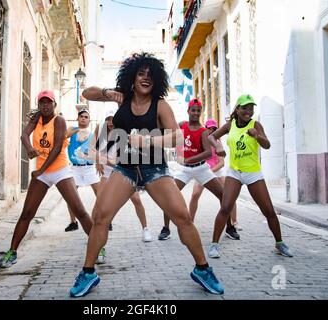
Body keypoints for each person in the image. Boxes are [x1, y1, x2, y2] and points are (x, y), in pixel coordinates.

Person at [69, 52, 224, 298]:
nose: (145, 78)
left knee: (182, 217)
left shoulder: (160, 104)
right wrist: (111, 93)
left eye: (150, 75)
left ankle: (203, 269)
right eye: (140, 73)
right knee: (100, 216)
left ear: (157, 81)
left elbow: (176, 137)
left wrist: (147, 140)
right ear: (132, 76)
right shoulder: (123, 98)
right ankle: (88, 273)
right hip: (125, 169)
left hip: (155, 170)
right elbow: (87, 93)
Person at [0, 90, 93, 268]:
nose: (45, 105)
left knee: (79, 211)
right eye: (42, 102)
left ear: (54, 104)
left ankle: (99, 248)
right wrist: (29, 149)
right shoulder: (37, 119)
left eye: (48, 102)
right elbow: (24, 135)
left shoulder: (59, 120)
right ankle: (12, 252)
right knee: (27, 213)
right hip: (42, 173)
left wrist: (40, 169)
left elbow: (57, 147)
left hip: (60, 170)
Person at [208, 94, 293, 258]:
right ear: (237, 109)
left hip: (253, 173)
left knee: (268, 211)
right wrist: (217, 147)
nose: (248, 111)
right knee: (225, 207)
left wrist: (257, 136)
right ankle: (214, 245)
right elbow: (211, 136)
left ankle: (279, 243)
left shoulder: (256, 124)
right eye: (245, 108)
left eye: (251, 108)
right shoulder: (230, 125)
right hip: (235, 172)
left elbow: (267, 145)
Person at [157, 99, 240, 244]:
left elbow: (208, 153)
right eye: (193, 110)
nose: (195, 113)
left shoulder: (203, 131)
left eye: (198, 110)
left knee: (223, 195)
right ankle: (166, 228)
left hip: (201, 168)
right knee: (169, 197)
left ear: (200, 113)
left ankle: (229, 227)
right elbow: (167, 129)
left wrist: (190, 159)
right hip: (184, 170)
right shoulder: (182, 125)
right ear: (188, 111)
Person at [91, 108, 152, 243]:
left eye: (113, 119)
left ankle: (145, 229)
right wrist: (97, 162)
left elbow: (124, 159)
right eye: (108, 119)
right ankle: (95, 235)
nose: (111, 122)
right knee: (99, 204)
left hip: (121, 172)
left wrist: (105, 161)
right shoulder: (101, 132)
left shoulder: (123, 134)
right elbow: (94, 150)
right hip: (107, 174)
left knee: (136, 200)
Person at [188, 119, 241, 233]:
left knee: (228, 195)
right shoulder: (201, 141)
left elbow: (222, 163)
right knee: (195, 194)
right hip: (203, 170)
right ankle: (190, 222)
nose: (211, 130)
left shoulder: (218, 143)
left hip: (217, 170)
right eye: (209, 128)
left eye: (214, 129)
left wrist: (210, 172)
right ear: (205, 128)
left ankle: (234, 222)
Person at [64, 109, 104, 232]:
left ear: (89, 120)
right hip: (75, 168)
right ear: (78, 118)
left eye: (86, 117)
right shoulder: (72, 131)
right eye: (81, 116)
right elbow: (64, 136)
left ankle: (103, 219)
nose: (83, 118)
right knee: (70, 196)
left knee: (100, 194)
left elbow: (97, 150)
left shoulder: (92, 135)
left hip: (89, 168)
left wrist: (98, 163)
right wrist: (79, 130)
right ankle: (73, 222)